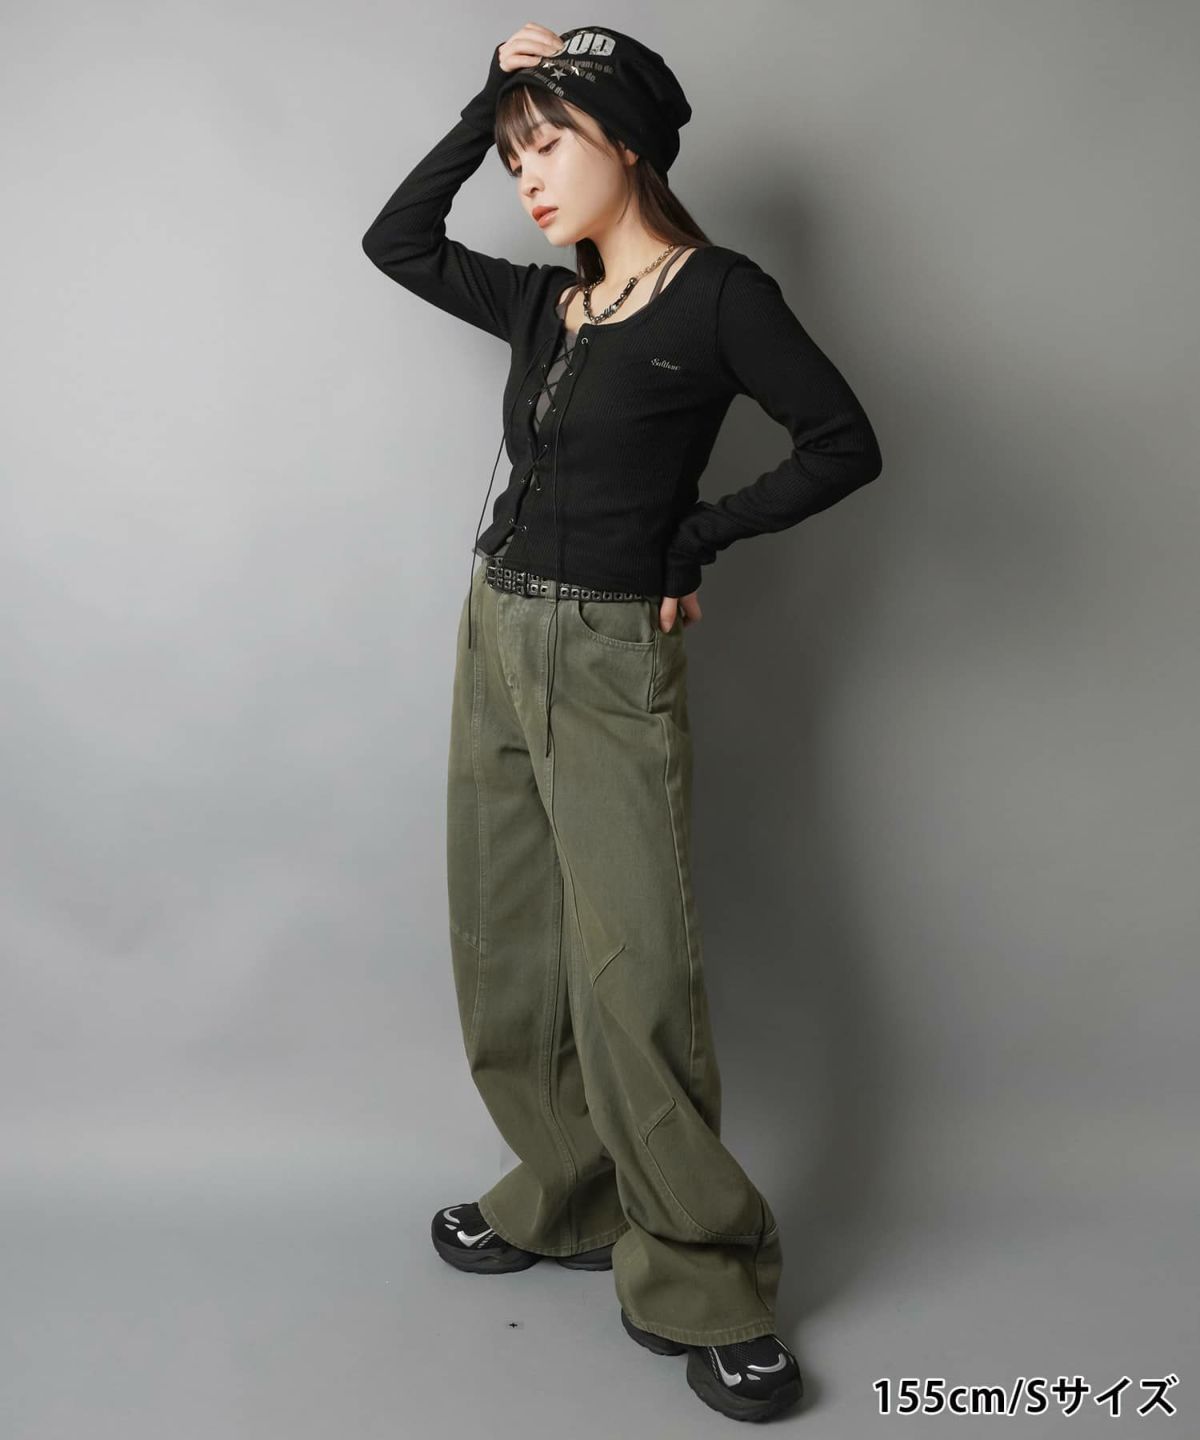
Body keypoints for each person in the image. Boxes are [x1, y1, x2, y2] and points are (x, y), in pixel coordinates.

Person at [362, 22, 882, 1423]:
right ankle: (568, 1190)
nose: (528, 178)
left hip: (604, 655)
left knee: (632, 968)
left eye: (552, 145)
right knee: (507, 945)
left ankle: (705, 1278)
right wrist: (488, 99)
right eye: (515, 156)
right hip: (495, 630)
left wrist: (689, 540)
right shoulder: (550, 305)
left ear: (630, 145)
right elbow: (396, 242)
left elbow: (843, 442)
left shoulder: (720, 297)